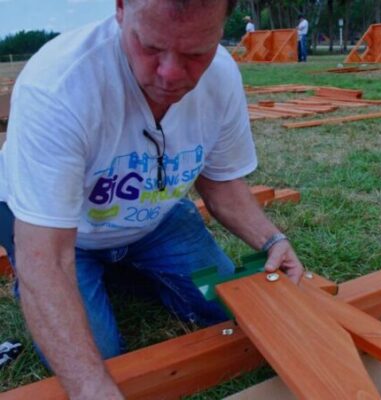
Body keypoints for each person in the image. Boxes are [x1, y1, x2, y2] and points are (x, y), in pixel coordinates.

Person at [0, 0, 304, 398]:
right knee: (101, 361)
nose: (171, 75)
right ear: (122, 8)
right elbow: (47, 257)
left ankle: (123, 268)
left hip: (153, 218)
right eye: (151, 48)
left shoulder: (221, 76)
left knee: (231, 308)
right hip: (61, 235)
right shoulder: (60, 85)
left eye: (195, 53)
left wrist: (272, 240)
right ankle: (82, 277)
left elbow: (221, 183)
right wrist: (91, 388)